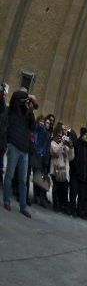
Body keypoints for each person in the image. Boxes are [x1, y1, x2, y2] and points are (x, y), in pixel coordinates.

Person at [3, 89, 36, 217]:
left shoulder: (27, 113)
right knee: (10, 175)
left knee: (23, 179)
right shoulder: (13, 110)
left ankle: (23, 206)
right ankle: (6, 199)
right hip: (14, 146)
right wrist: (27, 97)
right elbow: (15, 100)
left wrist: (31, 111)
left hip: (24, 150)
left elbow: (33, 128)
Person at [49, 123, 73, 213]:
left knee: (64, 188)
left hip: (64, 168)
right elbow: (55, 152)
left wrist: (71, 147)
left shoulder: (65, 142)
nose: (61, 135)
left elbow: (71, 157)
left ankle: (63, 205)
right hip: (56, 167)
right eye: (59, 133)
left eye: (62, 133)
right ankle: (56, 205)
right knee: (56, 187)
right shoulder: (53, 141)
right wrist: (61, 144)